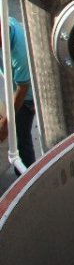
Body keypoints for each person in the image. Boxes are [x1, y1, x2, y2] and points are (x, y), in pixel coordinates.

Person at [0, 16, 36, 172]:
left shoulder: (20, 51)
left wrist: (6, 124)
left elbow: (23, 89)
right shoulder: (5, 23)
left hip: (28, 96)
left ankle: (26, 178)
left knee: (20, 138)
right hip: (16, 85)